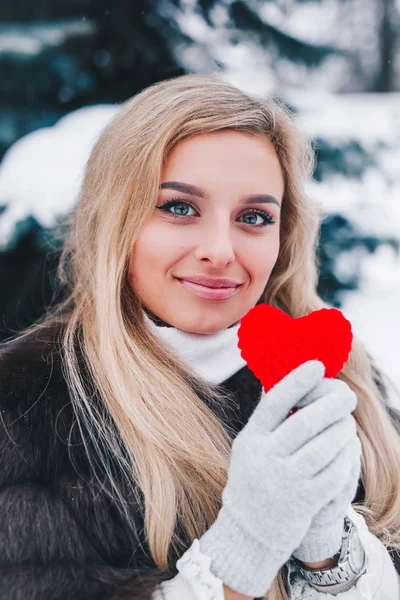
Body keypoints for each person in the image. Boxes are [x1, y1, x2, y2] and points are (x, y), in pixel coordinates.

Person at [1, 73, 400, 600]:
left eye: (254, 217)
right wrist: (244, 548)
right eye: (179, 208)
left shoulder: (347, 382)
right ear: (117, 217)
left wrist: (327, 555)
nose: (220, 250)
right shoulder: (24, 407)